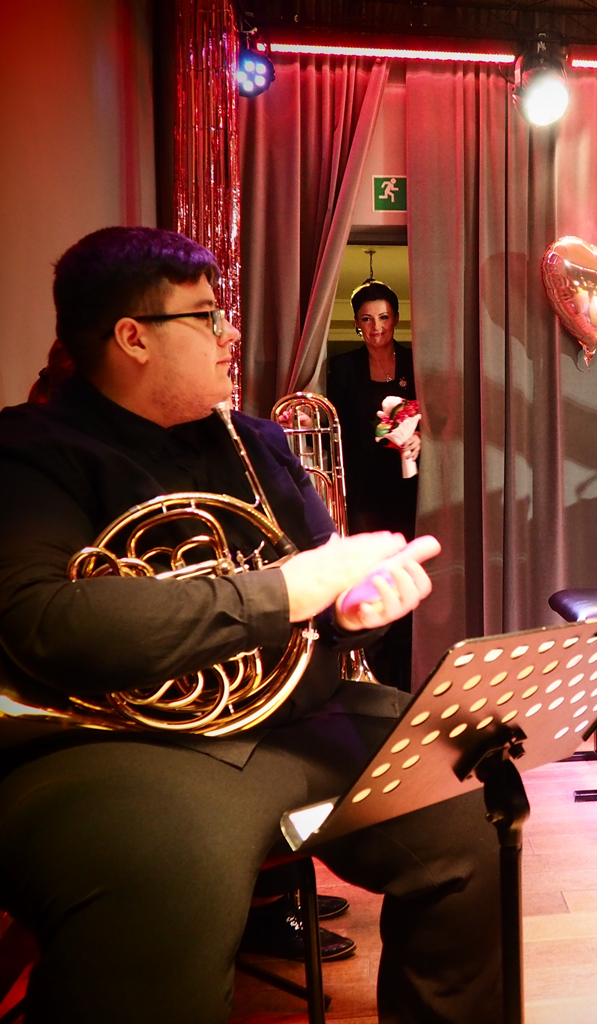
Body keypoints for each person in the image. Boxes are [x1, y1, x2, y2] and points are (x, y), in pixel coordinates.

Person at [0, 227, 502, 1024]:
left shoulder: (256, 441)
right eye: (207, 316)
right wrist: (283, 592)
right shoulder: (29, 451)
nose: (230, 334)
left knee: (474, 792)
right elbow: (46, 623)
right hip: (124, 746)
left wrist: (351, 614)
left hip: (299, 716)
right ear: (133, 337)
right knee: (163, 868)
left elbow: (321, 592)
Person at [327, 282, 419, 691]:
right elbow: (338, 428)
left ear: (395, 319)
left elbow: (438, 417)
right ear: (356, 324)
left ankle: (405, 677)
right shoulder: (342, 366)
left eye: (383, 317)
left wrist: (421, 440)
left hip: (409, 487)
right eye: (367, 319)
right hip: (363, 487)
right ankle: (372, 676)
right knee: (372, 576)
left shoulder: (415, 362)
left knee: (407, 570)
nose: (376, 326)